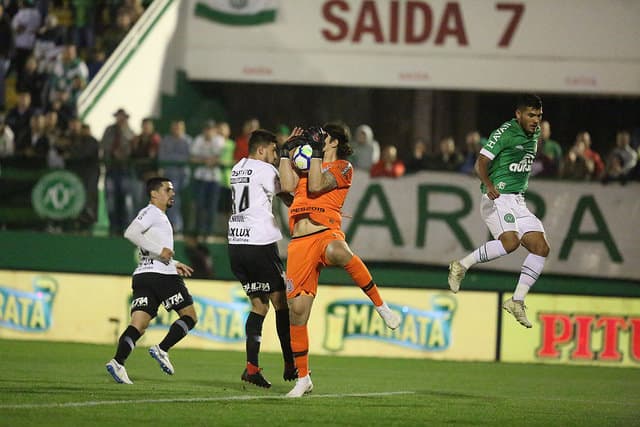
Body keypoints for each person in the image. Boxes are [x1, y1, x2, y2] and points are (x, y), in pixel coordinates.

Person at [279, 123, 401, 398]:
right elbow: (286, 185)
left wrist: (314, 154)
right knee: (297, 312)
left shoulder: (344, 167)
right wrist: (286, 153)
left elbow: (317, 183)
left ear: (332, 142)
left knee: (338, 251)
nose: (316, 138)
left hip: (326, 232)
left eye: (323, 136)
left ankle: (381, 306)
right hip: (299, 242)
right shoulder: (306, 162)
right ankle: (303, 379)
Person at [447, 94, 550, 329]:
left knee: (541, 247)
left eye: (539, 116)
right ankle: (461, 265)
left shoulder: (534, 134)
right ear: (518, 115)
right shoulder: (505, 132)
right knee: (510, 242)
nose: (536, 121)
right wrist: (490, 185)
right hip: (497, 196)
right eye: (531, 115)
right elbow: (480, 162)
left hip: (518, 200)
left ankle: (517, 300)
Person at [106, 177, 197, 384]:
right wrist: (161, 253)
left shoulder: (158, 216)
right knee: (190, 316)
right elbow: (130, 233)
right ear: (154, 194)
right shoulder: (151, 212)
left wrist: (173, 262)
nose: (172, 193)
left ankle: (118, 362)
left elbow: (153, 249)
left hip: (144, 275)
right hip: (161, 277)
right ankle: (162, 348)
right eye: (167, 190)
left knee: (138, 325)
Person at [228, 129, 297, 389]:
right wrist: (290, 159)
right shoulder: (266, 170)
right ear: (261, 150)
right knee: (281, 304)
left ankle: (251, 368)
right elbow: (288, 193)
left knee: (259, 307)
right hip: (259, 243)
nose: (275, 155)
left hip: (236, 244)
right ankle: (291, 363)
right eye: (273, 150)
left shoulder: (236, 169)